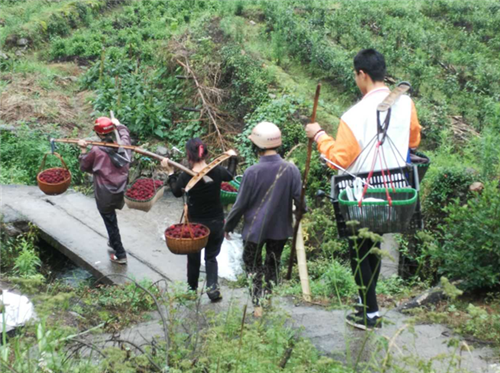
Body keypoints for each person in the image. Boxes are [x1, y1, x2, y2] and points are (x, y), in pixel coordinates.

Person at [305, 49, 422, 330]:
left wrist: (320, 136)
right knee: (374, 244)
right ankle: (365, 303)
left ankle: (370, 314)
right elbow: (414, 139)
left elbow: (338, 159)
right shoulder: (406, 104)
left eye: (356, 75)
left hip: (360, 193)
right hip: (394, 192)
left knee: (359, 249)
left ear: (362, 74)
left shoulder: (354, 115)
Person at [224, 122, 302, 317]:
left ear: (256, 146)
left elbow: (240, 205)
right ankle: (268, 298)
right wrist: (300, 211)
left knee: (252, 265)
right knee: (273, 264)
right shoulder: (291, 170)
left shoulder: (251, 172)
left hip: (254, 231)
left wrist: (228, 226)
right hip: (280, 230)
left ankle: (257, 305)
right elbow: (301, 202)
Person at [161, 139, 237, 302]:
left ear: (189, 155)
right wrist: (233, 158)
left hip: (194, 226)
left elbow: (176, 192)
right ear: (205, 153)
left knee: (193, 258)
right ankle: (213, 290)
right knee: (211, 257)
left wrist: (170, 172)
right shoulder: (216, 171)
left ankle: (191, 290)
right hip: (216, 223)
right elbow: (230, 175)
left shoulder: (186, 175)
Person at [78, 116, 132, 264]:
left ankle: (120, 254)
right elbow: (125, 134)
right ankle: (112, 240)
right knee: (111, 218)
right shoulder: (124, 145)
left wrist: (83, 150)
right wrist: (119, 125)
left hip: (105, 193)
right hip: (120, 189)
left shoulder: (96, 150)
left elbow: (85, 167)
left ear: (98, 134)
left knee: (110, 221)